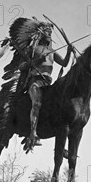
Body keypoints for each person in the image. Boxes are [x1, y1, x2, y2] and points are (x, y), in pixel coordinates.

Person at [23, 23, 73, 152]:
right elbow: (22, 66)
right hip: (35, 82)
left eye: (50, 33)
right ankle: (33, 134)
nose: (49, 35)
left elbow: (64, 63)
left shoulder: (52, 52)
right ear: (40, 33)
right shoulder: (33, 49)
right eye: (47, 32)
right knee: (37, 103)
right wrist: (37, 61)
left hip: (48, 84)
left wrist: (68, 52)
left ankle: (62, 142)